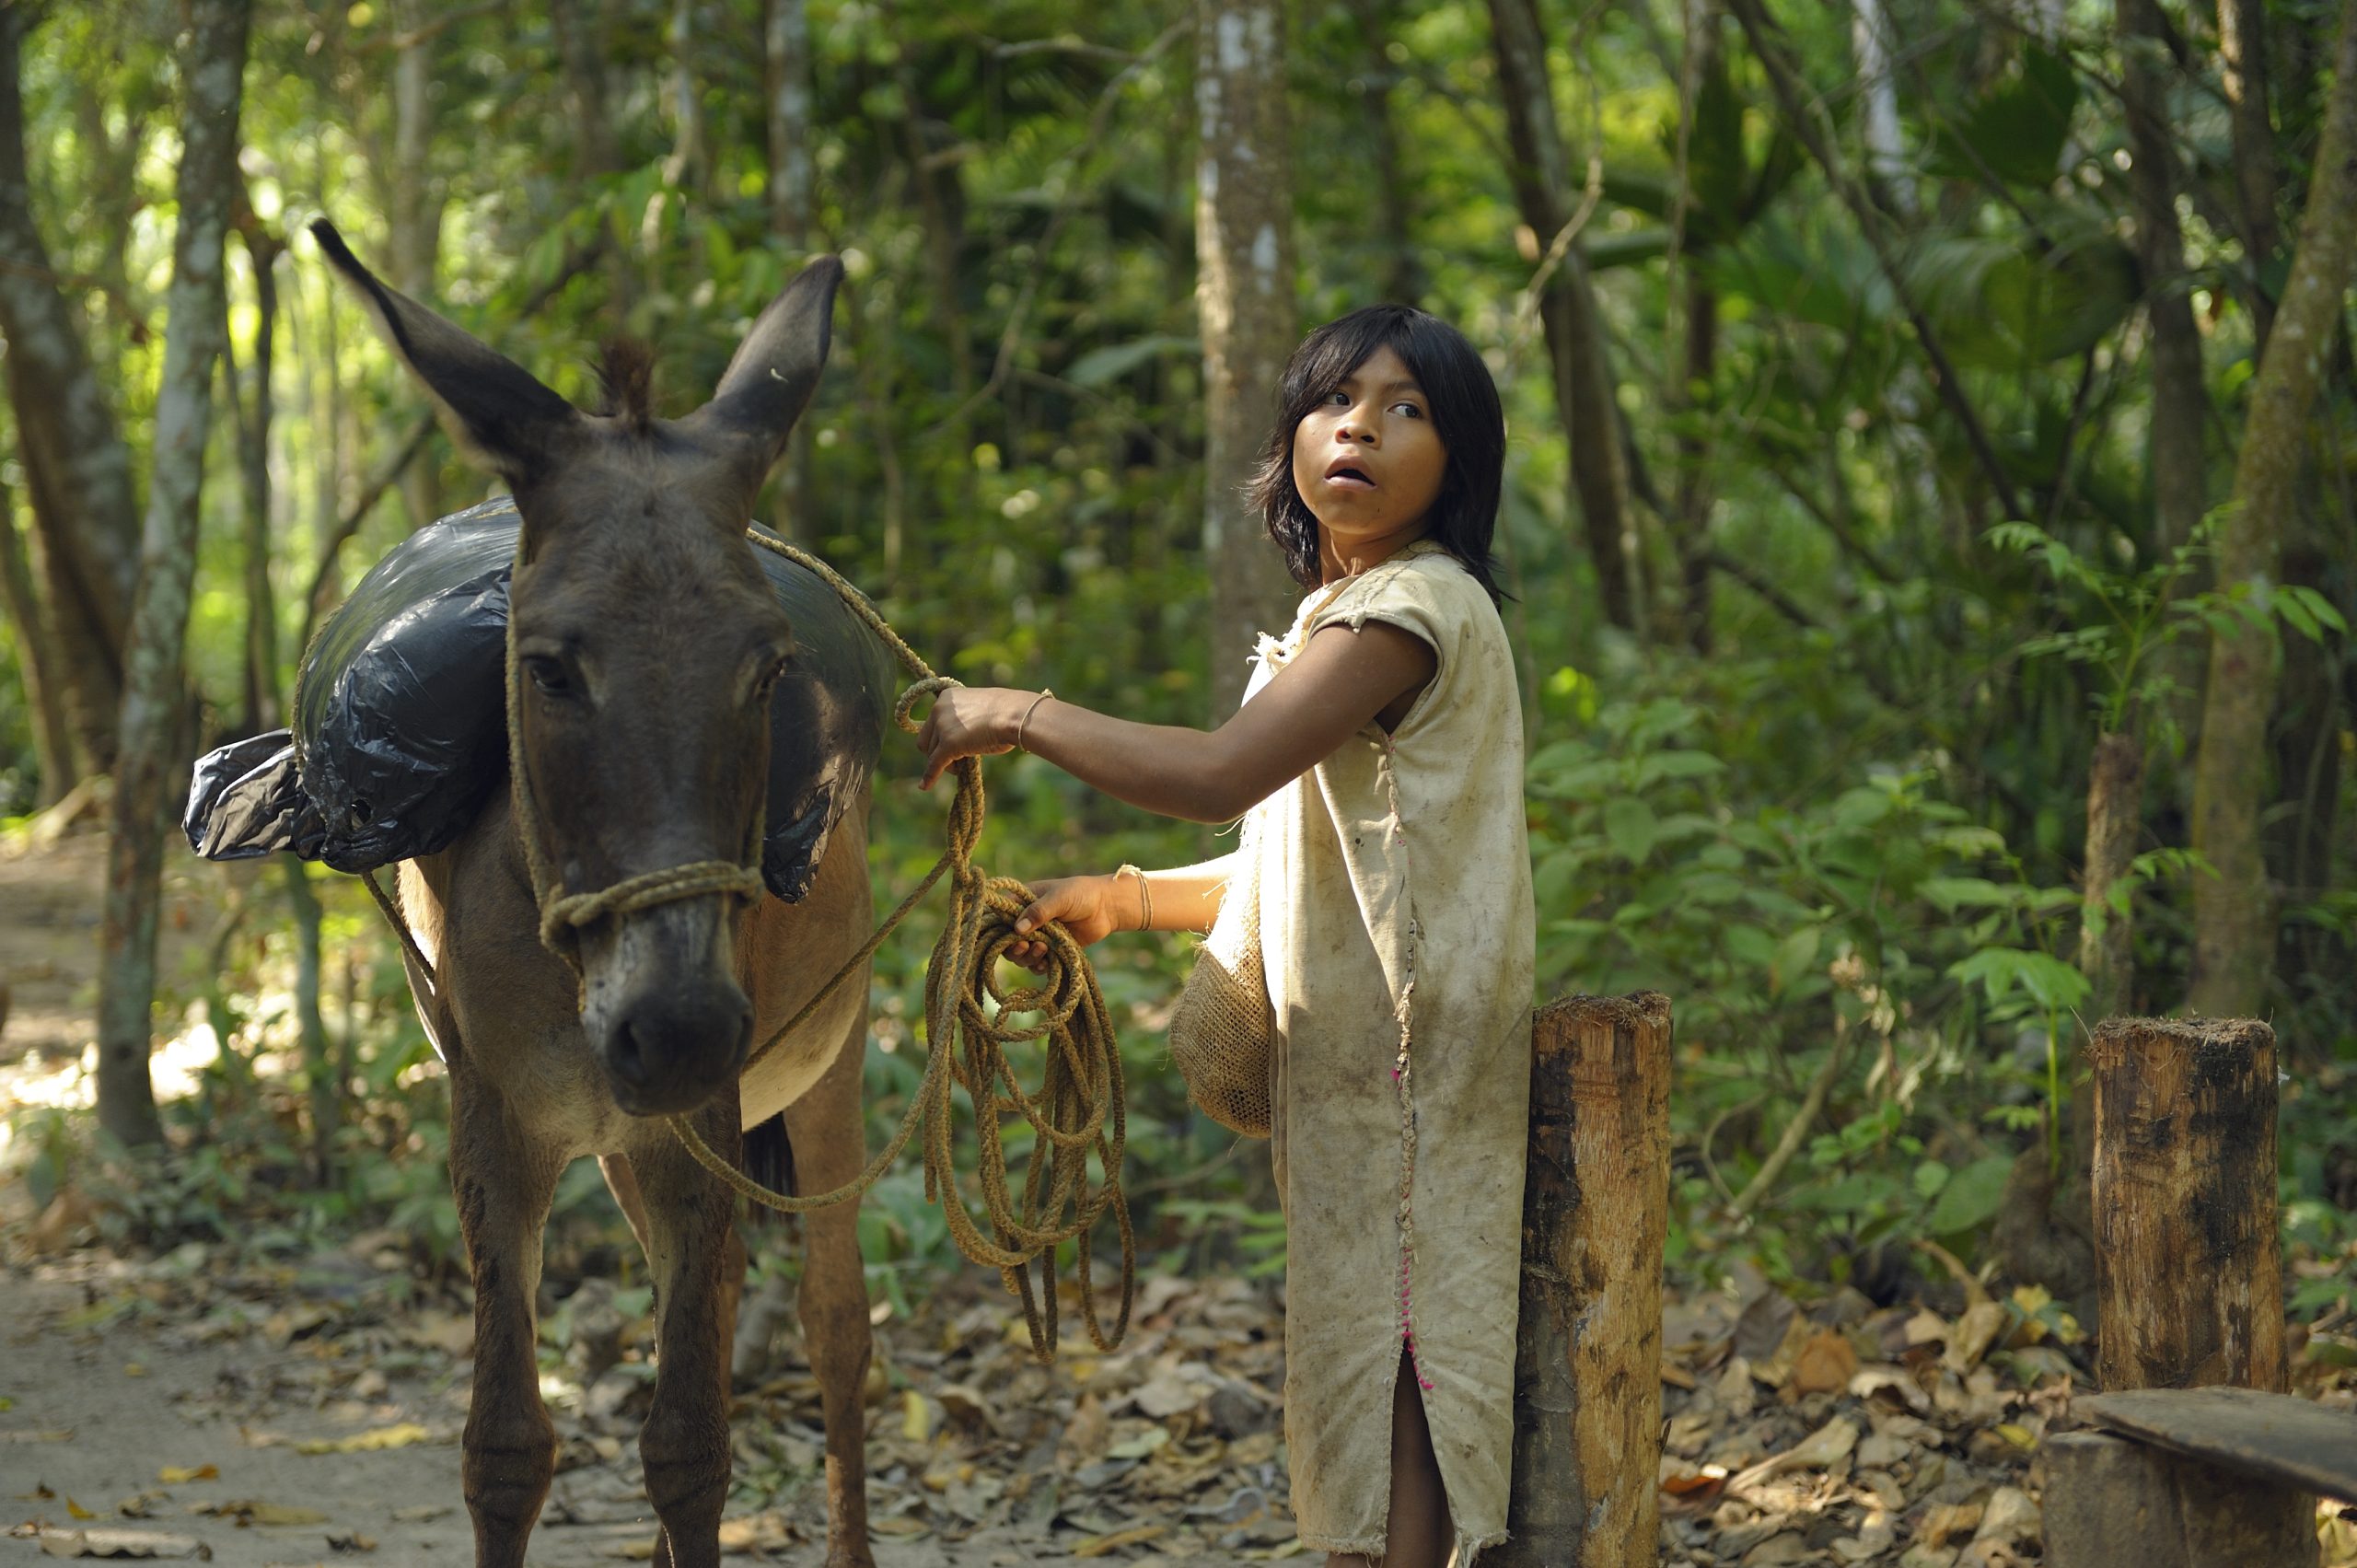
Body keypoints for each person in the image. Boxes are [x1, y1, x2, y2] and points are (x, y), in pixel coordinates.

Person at [917, 305, 1536, 1568]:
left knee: (1406, 1356)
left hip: (1413, 1065)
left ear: (1458, 469)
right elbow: (1299, 865)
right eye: (1337, 399)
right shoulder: (1347, 618)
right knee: (1367, 1347)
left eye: (1408, 408)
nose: (1362, 421)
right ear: (1293, 441)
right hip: (1365, 1064)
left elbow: (1219, 773)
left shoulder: (1411, 610)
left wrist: (1016, 714)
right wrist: (1124, 898)